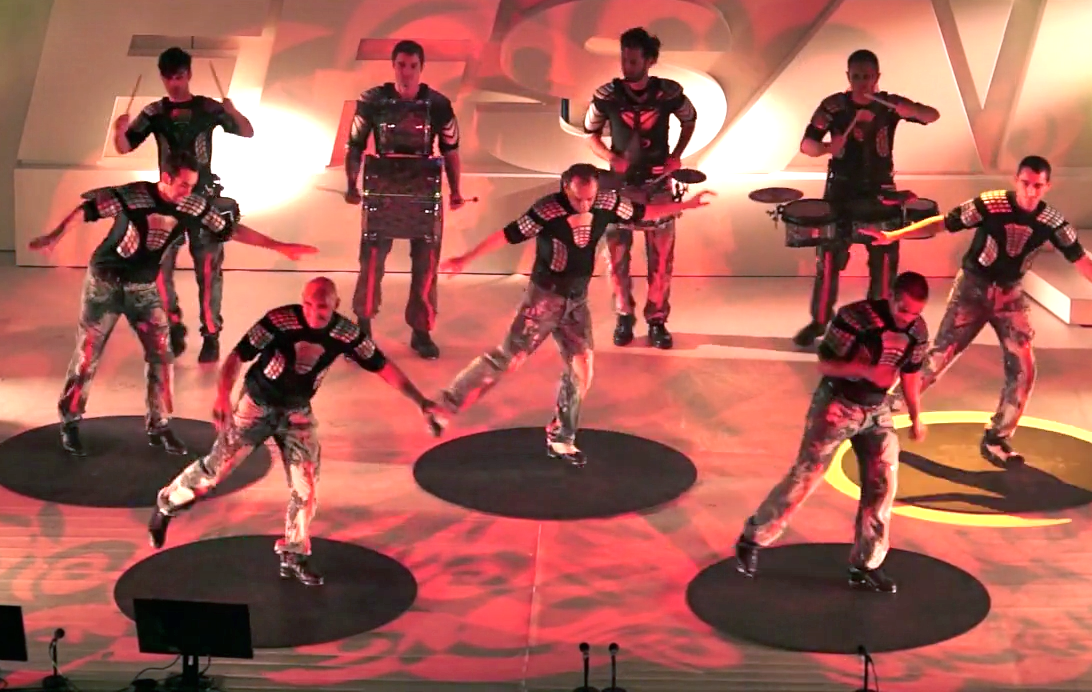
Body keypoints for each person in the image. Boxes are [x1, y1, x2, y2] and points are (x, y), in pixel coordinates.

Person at [147, 277, 443, 586]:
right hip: (255, 408)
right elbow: (237, 356)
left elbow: (382, 366)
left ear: (336, 305)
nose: (314, 312)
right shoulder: (279, 321)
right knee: (215, 470)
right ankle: (167, 504)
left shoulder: (346, 333)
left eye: (322, 307)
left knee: (306, 487)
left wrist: (421, 401)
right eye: (309, 304)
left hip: (297, 413)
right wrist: (222, 395)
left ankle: (293, 554)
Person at [29, 152, 317, 458]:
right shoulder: (133, 196)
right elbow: (87, 210)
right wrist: (54, 236)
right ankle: (70, 422)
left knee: (162, 357)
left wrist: (278, 246)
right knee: (88, 355)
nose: (188, 191)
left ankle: (160, 425)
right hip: (104, 286)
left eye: (192, 185)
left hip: (143, 289)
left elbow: (229, 229)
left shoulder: (191, 205)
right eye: (183, 184)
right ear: (165, 178)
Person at [434, 164, 714, 465]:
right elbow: (507, 234)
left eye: (589, 198)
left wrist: (687, 205)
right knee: (508, 358)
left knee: (582, 370)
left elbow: (643, 212)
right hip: (543, 300)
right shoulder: (547, 210)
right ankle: (444, 406)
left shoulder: (607, 202)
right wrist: (465, 258)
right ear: (565, 188)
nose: (584, 204)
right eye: (578, 198)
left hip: (576, 303)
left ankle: (561, 438)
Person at [860, 155, 1092, 467]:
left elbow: (1080, 260)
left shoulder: (1052, 222)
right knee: (937, 359)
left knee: (1024, 368)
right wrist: (894, 235)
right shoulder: (991, 204)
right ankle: (878, 417)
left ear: (1047, 186)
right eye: (1025, 183)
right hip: (972, 290)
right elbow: (943, 223)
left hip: (1010, 296)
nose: (1030, 191)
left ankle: (997, 438)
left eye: (1037, 186)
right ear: (1016, 180)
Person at [734, 271, 931, 594]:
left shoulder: (917, 330)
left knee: (883, 484)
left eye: (915, 312)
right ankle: (753, 539)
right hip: (837, 406)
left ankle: (866, 564)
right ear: (891, 297)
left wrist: (915, 415)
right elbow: (825, 365)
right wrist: (866, 370)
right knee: (805, 477)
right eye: (904, 309)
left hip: (877, 410)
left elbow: (911, 373)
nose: (908, 318)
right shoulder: (854, 318)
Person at [112, 46, 255, 363]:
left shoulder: (207, 107)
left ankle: (211, 336)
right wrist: (118, 132)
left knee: (208, 272)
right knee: (159, 271)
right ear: (162, 77)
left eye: (179, 76)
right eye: (169, 77)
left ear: (188, 74)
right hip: (167, 202)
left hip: (203, 199)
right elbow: (124, 147)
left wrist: (233, 112)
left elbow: (247, 132)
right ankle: (173, 327)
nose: (174, 83)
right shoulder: (154, 112)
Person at [792, 49, 940, 348]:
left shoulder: (889, 105)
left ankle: (878, 325)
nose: (862, 82)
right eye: (857, 76)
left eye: (868, 77)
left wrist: (911, 109)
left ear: (877, 77)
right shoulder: (833, 106)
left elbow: (932, 115)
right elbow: (807, 145)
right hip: (840, 192)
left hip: (880, 192)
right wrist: (826, 149)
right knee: (828, 260)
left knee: (884, 264)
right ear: (848, 76)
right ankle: (819, 321)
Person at [344, 39, 465, 360]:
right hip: (382, 186)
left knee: (426, 262)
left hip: (424, 188)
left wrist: (456, 190)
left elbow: (451, 150)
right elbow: (355, 144)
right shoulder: (372, 100)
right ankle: (363, 327)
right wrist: (351, 184)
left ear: (421, 68)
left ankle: (421, 330)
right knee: (371, 260)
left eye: (412, 66)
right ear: (393, 65)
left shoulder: (438, 104)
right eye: (401, 65)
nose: (406, 72)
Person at [583, 27, 698, 350]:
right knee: (616, 257)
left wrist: (677, 156)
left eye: (633, 61)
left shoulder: (669, 93)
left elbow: (690, 119)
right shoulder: (607, 95)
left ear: (649, 61)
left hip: (658, 185)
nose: (627, 66)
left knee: (661, 260)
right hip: (619, 187)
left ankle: (657, 320)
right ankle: (623, 316)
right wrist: (611, 157)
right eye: (624, 59)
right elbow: (589, 134)